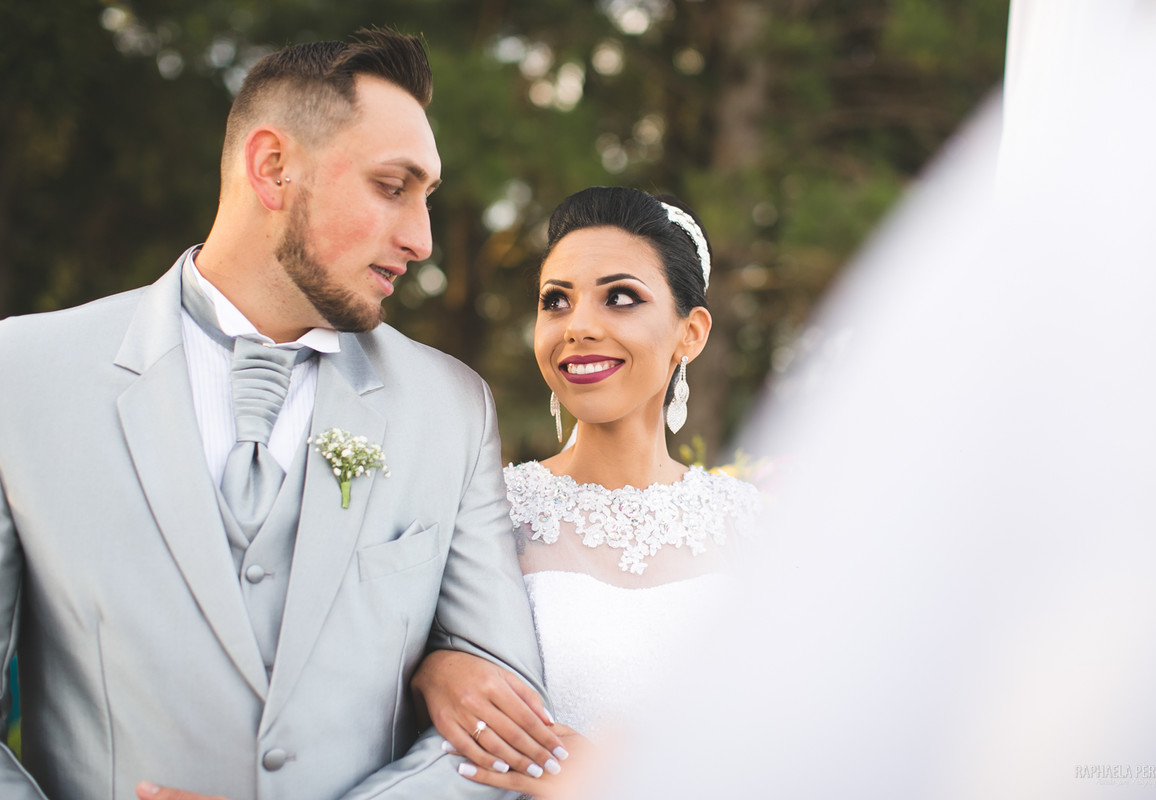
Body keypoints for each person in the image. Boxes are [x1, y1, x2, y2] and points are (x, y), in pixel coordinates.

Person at [0, 29, 556, 800]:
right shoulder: (19, 378)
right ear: (273, 167)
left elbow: (505, 705)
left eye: (427, 199)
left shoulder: (451, 407)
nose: (422, 240)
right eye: (393, 187)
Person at [410, 187, 761, 798]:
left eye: (620, 298)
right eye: (556, 302)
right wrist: (430, 672)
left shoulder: (751, 527)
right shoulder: (487, 510)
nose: (579, 327)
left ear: (692, 333)